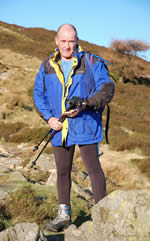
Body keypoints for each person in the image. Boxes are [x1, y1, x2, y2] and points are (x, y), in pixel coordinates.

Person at [33, 24, 115, 232]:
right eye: (63, 41)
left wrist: (85, 104)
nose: (67, 46)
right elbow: (38, 95)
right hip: (60, 127)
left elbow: (107, 89)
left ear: (77, 40)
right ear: (56, 41)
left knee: (94, 170)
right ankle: (63, 216)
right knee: (62, 171)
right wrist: (49, 118)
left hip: (85, 124)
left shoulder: (91, 62)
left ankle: (101, 216)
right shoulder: (47, 66)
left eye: (71, 41)